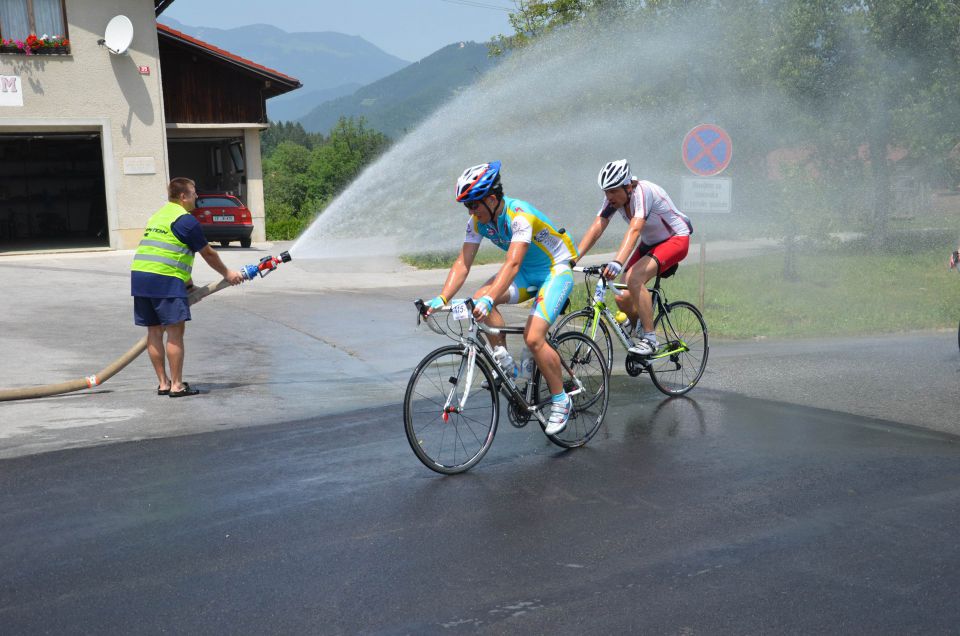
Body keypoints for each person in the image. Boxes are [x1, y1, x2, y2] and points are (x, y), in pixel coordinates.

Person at [425, 161, 580, 435]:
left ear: (492, 199)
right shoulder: (477, 222)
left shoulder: (519, 216)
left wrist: (489, 300)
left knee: (533, 338)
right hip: (527, 274)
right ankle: (503, 359)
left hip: (555, 270)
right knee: (480, 296)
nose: (471, 211)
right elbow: (463, 262)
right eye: (467, 207)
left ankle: (561, 400)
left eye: (474, 205)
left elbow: (512, 264)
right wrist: (442, 297)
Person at [131, 177, 244, 397]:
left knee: (154, 331)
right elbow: (208, 254)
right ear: (183, 197)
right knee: (174, 332)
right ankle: (177, 386)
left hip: (140, 277)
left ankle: (163, 383)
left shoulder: (158, 215)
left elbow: (169, 251)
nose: (197, 197)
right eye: (193, 193)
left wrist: (189, 285)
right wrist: (228, 274)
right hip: (165, 280)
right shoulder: (186, 220)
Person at [573, 160, 693, 355]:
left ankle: (650, 339)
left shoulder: (644, 192)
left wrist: (618, 261)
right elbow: (597, 227)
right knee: (622, 295)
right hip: (650, 244)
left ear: (628, 187)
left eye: (613, 191)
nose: (608, 196)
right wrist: (573, 258)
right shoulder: (614, 200)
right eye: (605, 192)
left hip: (675, 239)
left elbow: (635, 229)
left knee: (634, 279)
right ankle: (637, 327)